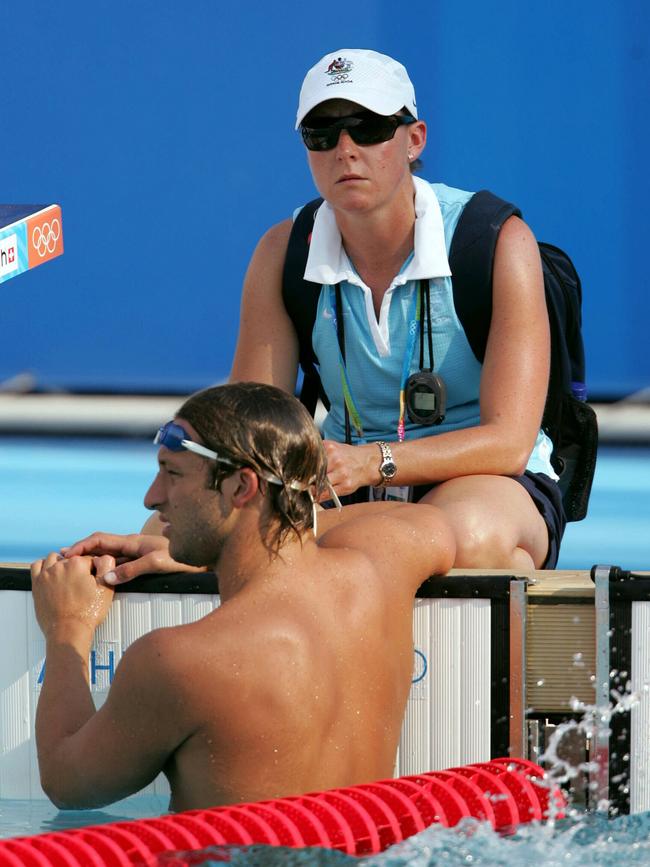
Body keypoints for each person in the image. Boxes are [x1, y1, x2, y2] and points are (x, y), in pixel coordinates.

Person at [32, 382, 455, 812]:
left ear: (241, 487)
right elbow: (429, 522)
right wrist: (231, 547)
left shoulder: (180, 660)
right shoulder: (382, 569)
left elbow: (69, 785)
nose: (152, 497)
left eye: (172, 474)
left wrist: (67, 628)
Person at [229, 48, 566, 570]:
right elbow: (252, 434)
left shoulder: (495, 242)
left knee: (472, 541)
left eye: (368, 127)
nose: (345, 150)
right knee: (183, 532)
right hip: (339, 481)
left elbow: (509, 443)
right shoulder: (281, 252)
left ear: (414, 139)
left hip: (481, 479)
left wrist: (373, 463)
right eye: (322, 133)